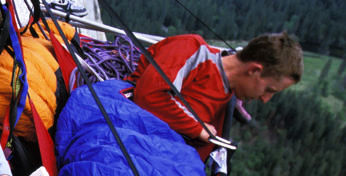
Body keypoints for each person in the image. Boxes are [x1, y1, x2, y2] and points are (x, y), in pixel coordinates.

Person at [128, 31, 303, 154]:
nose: (265, 99)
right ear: (254, 70)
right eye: (269, 90)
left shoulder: (228, 97)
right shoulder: (191, 49)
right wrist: (199, 129)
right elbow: (149, 95)